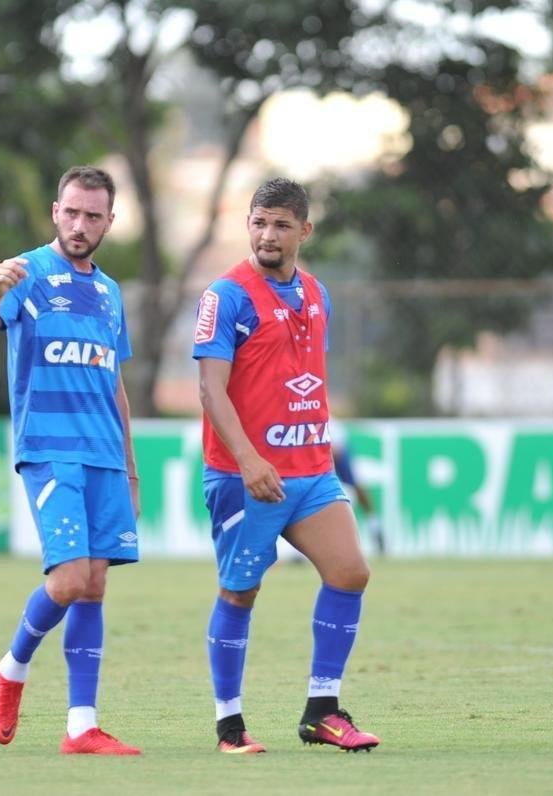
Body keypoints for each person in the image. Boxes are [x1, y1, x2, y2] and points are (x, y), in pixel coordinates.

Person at [192, 177, 380, 754]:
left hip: (311, 473)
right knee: (240, 594)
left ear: (304, 230)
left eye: (280, 224)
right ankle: (230, 727)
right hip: (244, 478)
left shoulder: (318, 293)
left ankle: (322, 710)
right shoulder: (226, 296)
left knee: (350, 572)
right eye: (258, 222)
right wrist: (249, 460)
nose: (267, 234)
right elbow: (210, 390)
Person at [0, 165, 141, 756]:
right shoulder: (27, 273)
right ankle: (12, 668)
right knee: (66, 581)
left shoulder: (111, 292)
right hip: (49, 451)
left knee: (92, 587)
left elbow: (116, 385)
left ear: (109, 221)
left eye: (93, 215)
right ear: (54, 210)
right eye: (71, 211)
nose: (80, 224)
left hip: (104, 457)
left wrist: (131, 469)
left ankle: (81, 727)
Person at [332, 440, 386, 556]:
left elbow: (336, 450)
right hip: (317, 451)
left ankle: (375, 526)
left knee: (356, 487)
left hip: (328, 448)